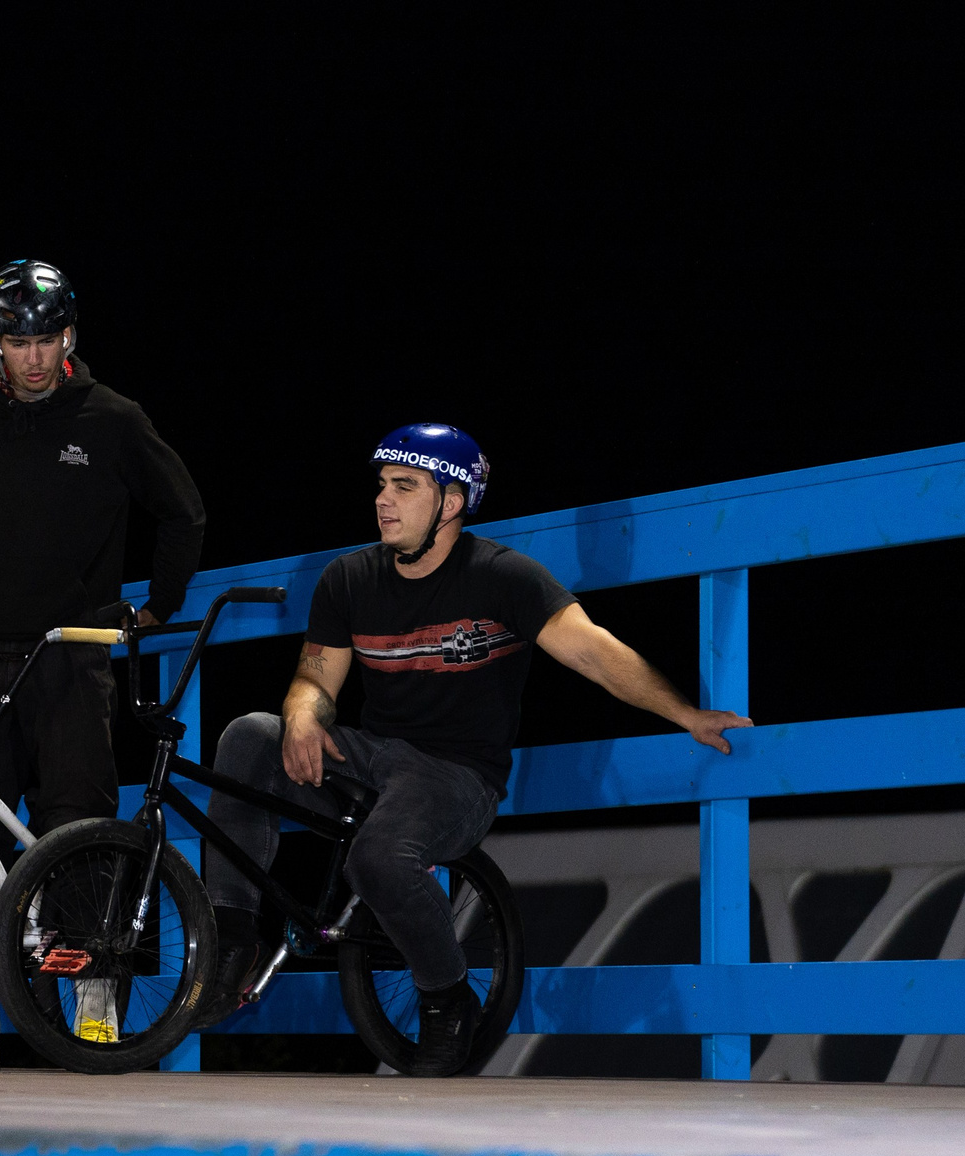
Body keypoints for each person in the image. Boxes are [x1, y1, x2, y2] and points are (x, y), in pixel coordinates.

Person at [203, 424, 752, 1076]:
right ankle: (231, 939)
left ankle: (446, 995)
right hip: (371, 755)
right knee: (248, 737)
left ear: (452, 502)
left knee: (378, 858)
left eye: (404, 487)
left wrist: (684, 712)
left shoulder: (503, 579)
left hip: (456, 775)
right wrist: (300, 718)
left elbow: (595, 652)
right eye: (381, 485)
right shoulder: (349, 579)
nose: (383, 500)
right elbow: (315, 679)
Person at [0, 258, 207, 1056]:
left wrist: (156, 608)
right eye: (19, 341)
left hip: (74, 657)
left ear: (70, 337)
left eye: (48, 339)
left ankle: (93, 1004)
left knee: (79, 825)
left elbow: (183, 512)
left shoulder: (112, 417)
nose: (36, 357)